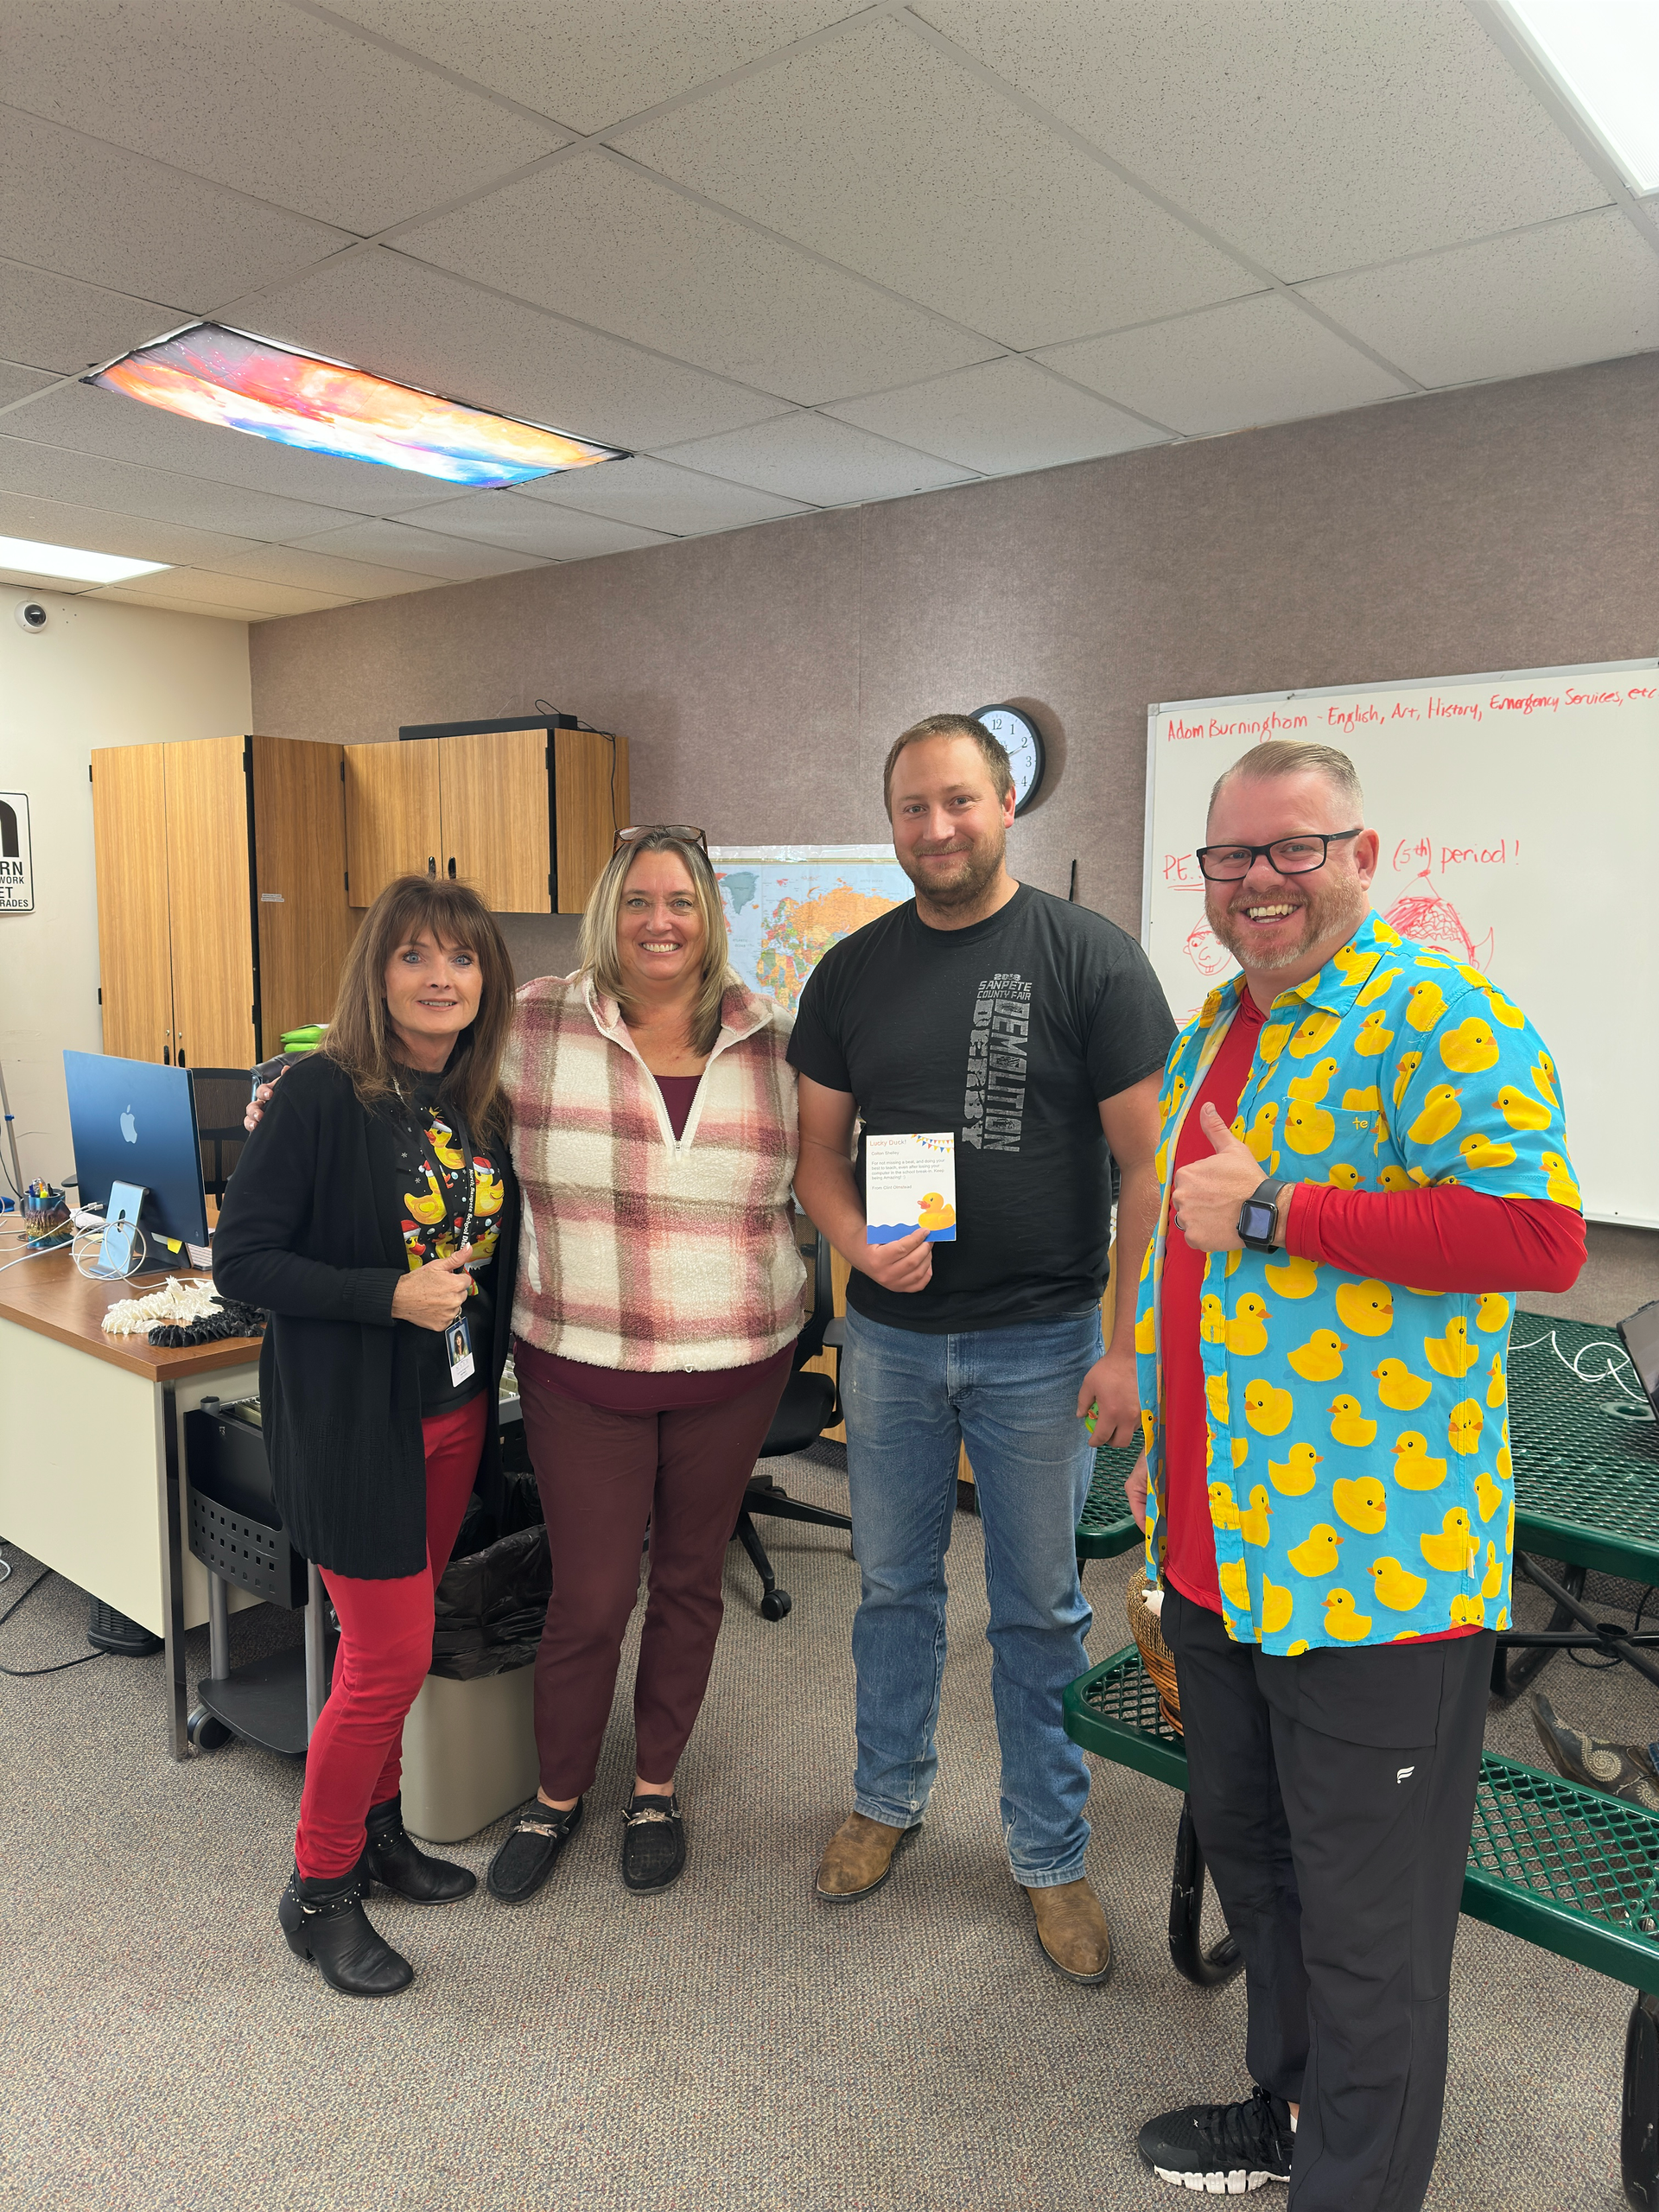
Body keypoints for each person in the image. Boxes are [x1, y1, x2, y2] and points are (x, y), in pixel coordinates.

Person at [1128, 741, 1586, 2203]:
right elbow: (1181, 1235)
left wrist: (1280, 1217)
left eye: (1293, 850)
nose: (1260, 883)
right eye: (1232, 857)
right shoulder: (1218, 1020)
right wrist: (1141, 1373)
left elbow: (1538, 1238)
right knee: (1261, 1876)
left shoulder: (1437, 1015)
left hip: (1368, 1578)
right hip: (1218, 1556)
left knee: (1370, 1929)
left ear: (1363, 858)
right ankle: (1287, 2111)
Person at [789, 714, 1174, 1981]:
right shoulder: (849, 974)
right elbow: (816, 1162)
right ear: (891, 819)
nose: (935, 829)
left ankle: (1049, 1856)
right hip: (891, 1346)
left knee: (1041, 1611)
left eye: (958, 802)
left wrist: (1128, 1350)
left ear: (1007, 805)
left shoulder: (1090, 960)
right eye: (912, 808)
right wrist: (855, 1241)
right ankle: (885, 1800)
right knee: (893, 1590)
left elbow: (1146, 1171)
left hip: (1044, 1347)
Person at [483, 827, 805, 1905]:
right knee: (588, 1595)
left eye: (681, 901)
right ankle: (557, 1794)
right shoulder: (534, 1018)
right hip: (581, 1359)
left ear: (710, 915)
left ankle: (655, 1787)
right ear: (608, 912)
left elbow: (847, 1171)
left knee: (687, 1584)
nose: (660, 922)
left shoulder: (776, 1037)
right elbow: (421, 1073)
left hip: (738, 1361)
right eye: (638, 901)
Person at [214, 875, 521, 1999]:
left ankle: (382, 1830)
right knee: (389, 1654)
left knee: (378, 1649)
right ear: (378, 972)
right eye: (415, 957)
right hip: (353, 1425)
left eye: (463, 959)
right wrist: (384, 1295)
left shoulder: (480, 1101)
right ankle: (318, 1890)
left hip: (449, 1420)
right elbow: (240, 1262)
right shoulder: (318, 1096)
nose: (442, 978)